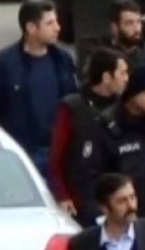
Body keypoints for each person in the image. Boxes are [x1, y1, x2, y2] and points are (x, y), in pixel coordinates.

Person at [0, 0, 78, 179]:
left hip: (59, 151)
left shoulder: (62, 59)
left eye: (56, 22)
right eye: (50, 23)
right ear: (31, 27)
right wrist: (2, 140)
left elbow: (74, 99)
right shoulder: (4, 63)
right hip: (21, 153)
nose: (57, 28)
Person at [48, 48, 129, 227]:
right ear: (106, 77)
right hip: (83, 201)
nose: (126, 78)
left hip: (120, 198)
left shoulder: (126, 107)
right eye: (122, 73)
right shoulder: (73, 108)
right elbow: (56, 159)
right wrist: (62, 195)